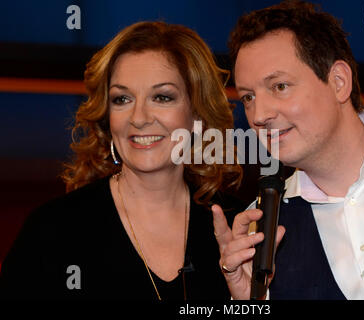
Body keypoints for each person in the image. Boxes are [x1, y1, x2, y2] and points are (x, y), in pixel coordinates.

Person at [212, 0, 364, 300]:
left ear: (339, 81)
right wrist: (249, 303)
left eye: (279, 87)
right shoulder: (257, 232)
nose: (258, 115)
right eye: (248, 97)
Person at [0, 21, 244, 300]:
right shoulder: (53, 232)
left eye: (162, 97)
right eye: (122, 99)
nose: (139, 118)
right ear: (107, 117)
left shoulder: (237, 226)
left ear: (197, 114)